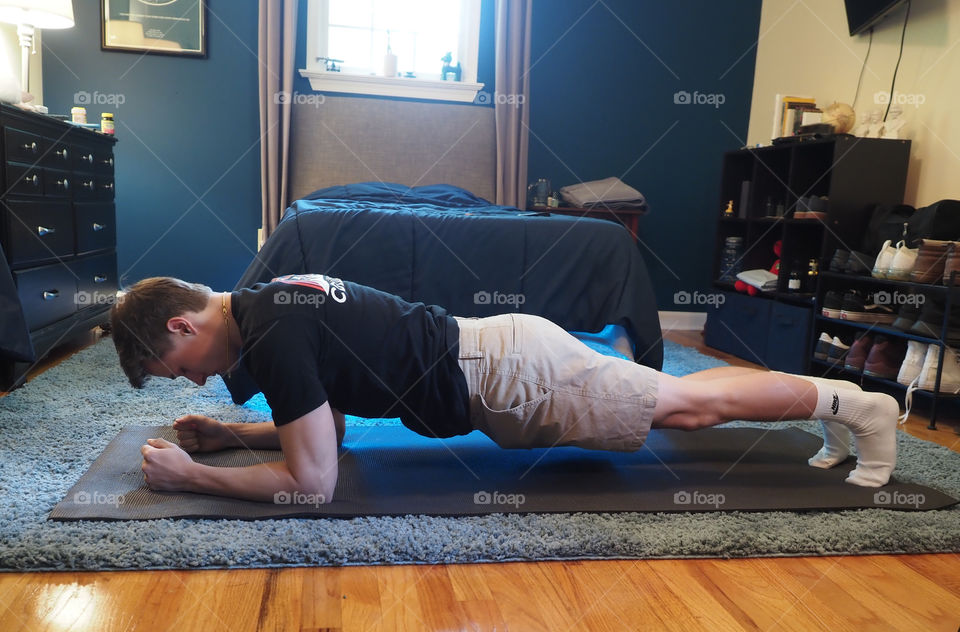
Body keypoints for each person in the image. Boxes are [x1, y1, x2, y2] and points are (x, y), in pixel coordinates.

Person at [110, 275, 900, 505]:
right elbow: (331, 424)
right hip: (502, 361)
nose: (199, 379)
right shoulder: (272, 302)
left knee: (691, 406)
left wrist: (194, 478)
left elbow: (312, 483)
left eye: (179, 366)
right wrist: (239, 436)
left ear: (181, 326)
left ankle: (857, 405)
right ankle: (837, 407)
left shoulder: (272, 337)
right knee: (676, 398)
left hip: (510, 379)